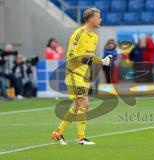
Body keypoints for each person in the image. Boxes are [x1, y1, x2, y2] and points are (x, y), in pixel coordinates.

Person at [50, 8, 112, 145]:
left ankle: (58, 133)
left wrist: (102, 61)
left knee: (77, 105)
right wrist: (85, 60)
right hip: (74, 73)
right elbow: (71, 56)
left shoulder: (94, 37)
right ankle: (81, 138)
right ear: (90, 19)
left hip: (84, 75)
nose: (100, 19)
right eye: (98, 17)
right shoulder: (77, 34)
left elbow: (90, 56)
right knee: (84, 103)